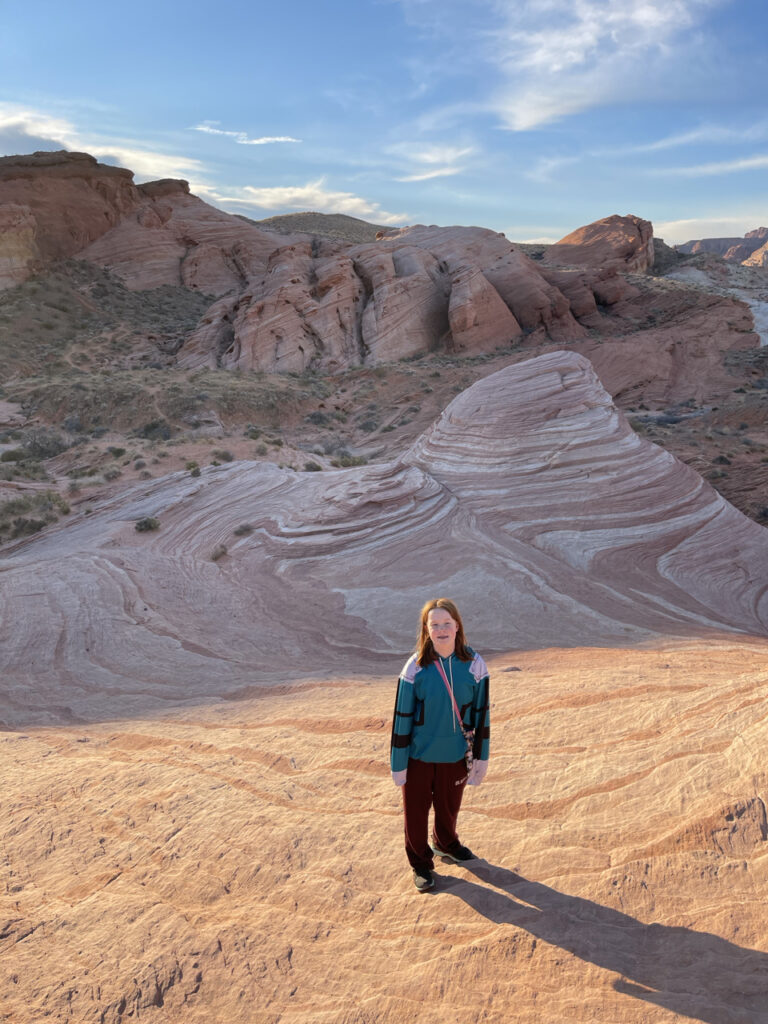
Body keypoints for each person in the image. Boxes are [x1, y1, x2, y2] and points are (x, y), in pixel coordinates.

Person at [390, 597, 490, 892]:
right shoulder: (416, 667)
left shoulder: (474, 664)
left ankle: (446, 843)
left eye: (447, 623)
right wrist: (399, 763)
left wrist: (481, 758)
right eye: (435, 624)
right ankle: (421, 863)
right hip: (419, 756)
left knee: (449, 807)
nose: (441, 629)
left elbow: (482, 714)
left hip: (455, 753)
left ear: (457, 626)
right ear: (426, 629)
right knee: (416, 813)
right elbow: (401, 718)